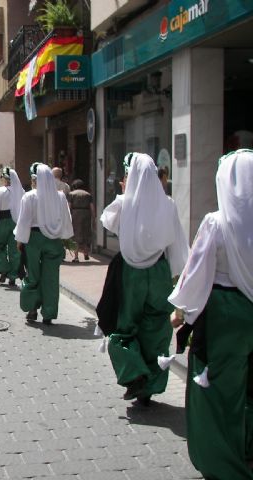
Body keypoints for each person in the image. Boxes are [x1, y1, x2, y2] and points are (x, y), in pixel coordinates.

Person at [168, 149, 253, 480]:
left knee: (218, 391)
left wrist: (182, 311)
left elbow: (196, 271)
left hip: (224, 313)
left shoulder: (216, 223)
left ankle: (223, 462)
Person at [100, 152, 188, 405]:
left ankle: (135, 373)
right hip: (159, 272)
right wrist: (178, 278)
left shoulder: (123, 203)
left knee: (125, 327)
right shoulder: (168, 204)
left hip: (131, 274)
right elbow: (177, 245)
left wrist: (126, 194)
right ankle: (149, 385)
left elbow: (108, 223)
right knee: (156, 328)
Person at [15, 163, 73, 325]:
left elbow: (24, 221)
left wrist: (20, 240)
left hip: (34, 239)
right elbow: (66, 219)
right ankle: (49, 313)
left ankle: (32, 308)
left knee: (33, 274)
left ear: (36, 179)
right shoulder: (60, 196)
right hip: (54, 240)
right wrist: (65, 237)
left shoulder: (30, 196)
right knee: (51, 278)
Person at [0, 167, 25, 286]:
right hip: (16, 223)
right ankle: (13, 276)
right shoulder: (21, 192)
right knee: (15, 250)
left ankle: (3, 268)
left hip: (2, 221)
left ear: (5, 178)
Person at [67, 179, 95, 263]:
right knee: (86, 233)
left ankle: (76, 257)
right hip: (86, 214)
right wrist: (93, 218)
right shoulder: (88, 195)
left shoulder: (71, 194)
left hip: (75, 214)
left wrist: (68, 217)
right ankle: (86, 253)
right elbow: (92, 207)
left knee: (76, 235)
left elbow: (69, 206)